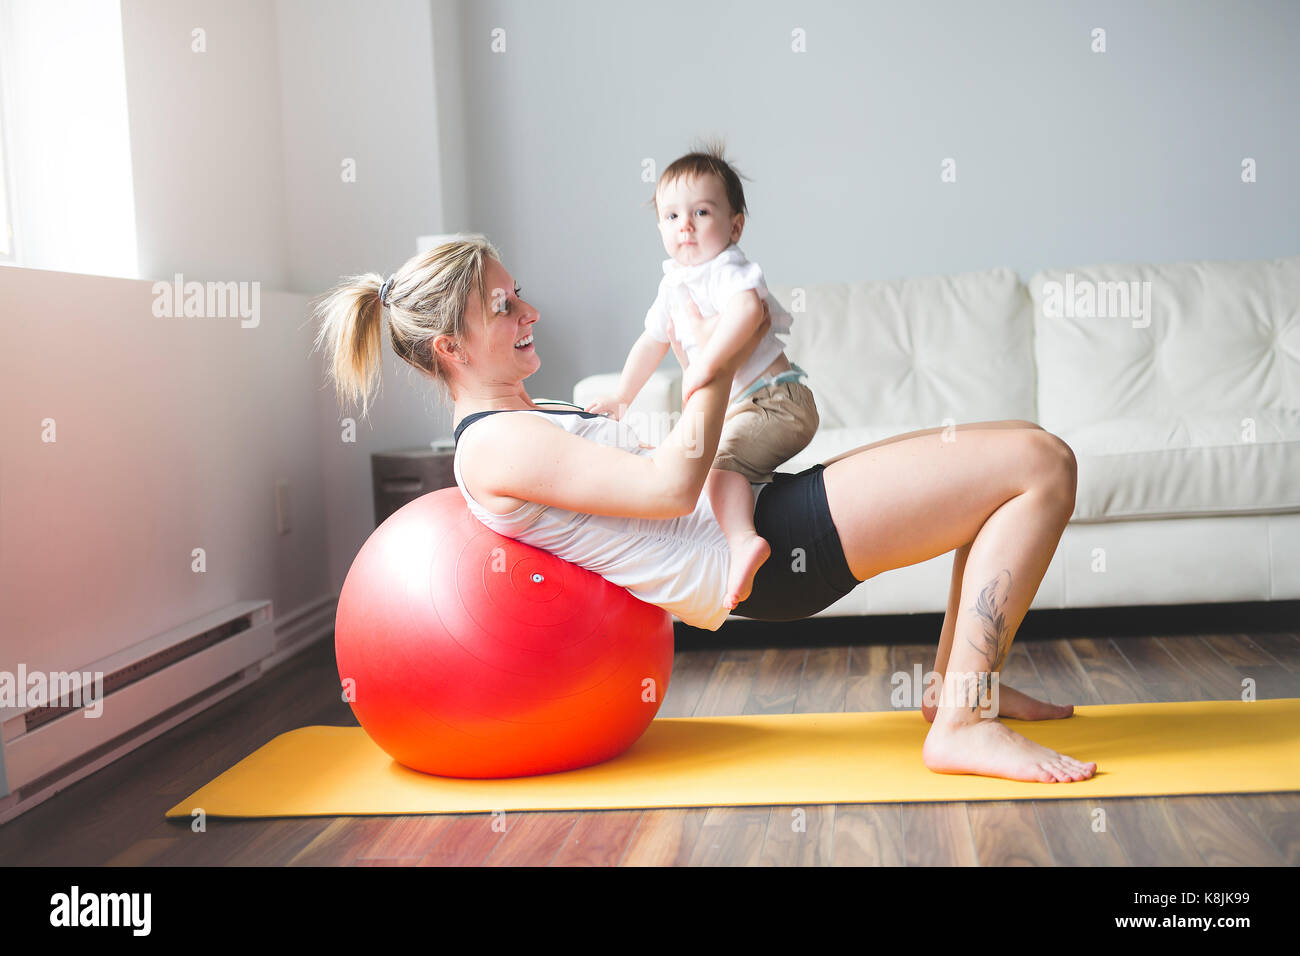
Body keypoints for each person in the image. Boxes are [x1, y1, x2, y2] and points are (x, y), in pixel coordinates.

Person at [312, 236, 1096, 784]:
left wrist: (711, 368)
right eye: (504, 306)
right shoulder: (491, 447)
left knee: (1019, 455)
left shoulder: (528, 416)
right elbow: (667, 491)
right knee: (1038, 465)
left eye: (519, 297)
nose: (529, 313)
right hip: (757, 553)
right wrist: (712, 361)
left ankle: (964, 694)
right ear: (451, 347)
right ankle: (960, 725)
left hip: (758, 513)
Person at [585, 143, 819, 611]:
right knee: (705, 465)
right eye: (671, 216)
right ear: (659, 229)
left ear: (735, 226)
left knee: (720, 468)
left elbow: (748, 309)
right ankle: (753, 529)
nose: (685, 225)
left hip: (777, 400)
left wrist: (708, 363)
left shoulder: (726, 269)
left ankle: (742, 542)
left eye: (701, 211)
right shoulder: (673, 283)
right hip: (749, 407)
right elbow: (651, 341)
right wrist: (622, 397)